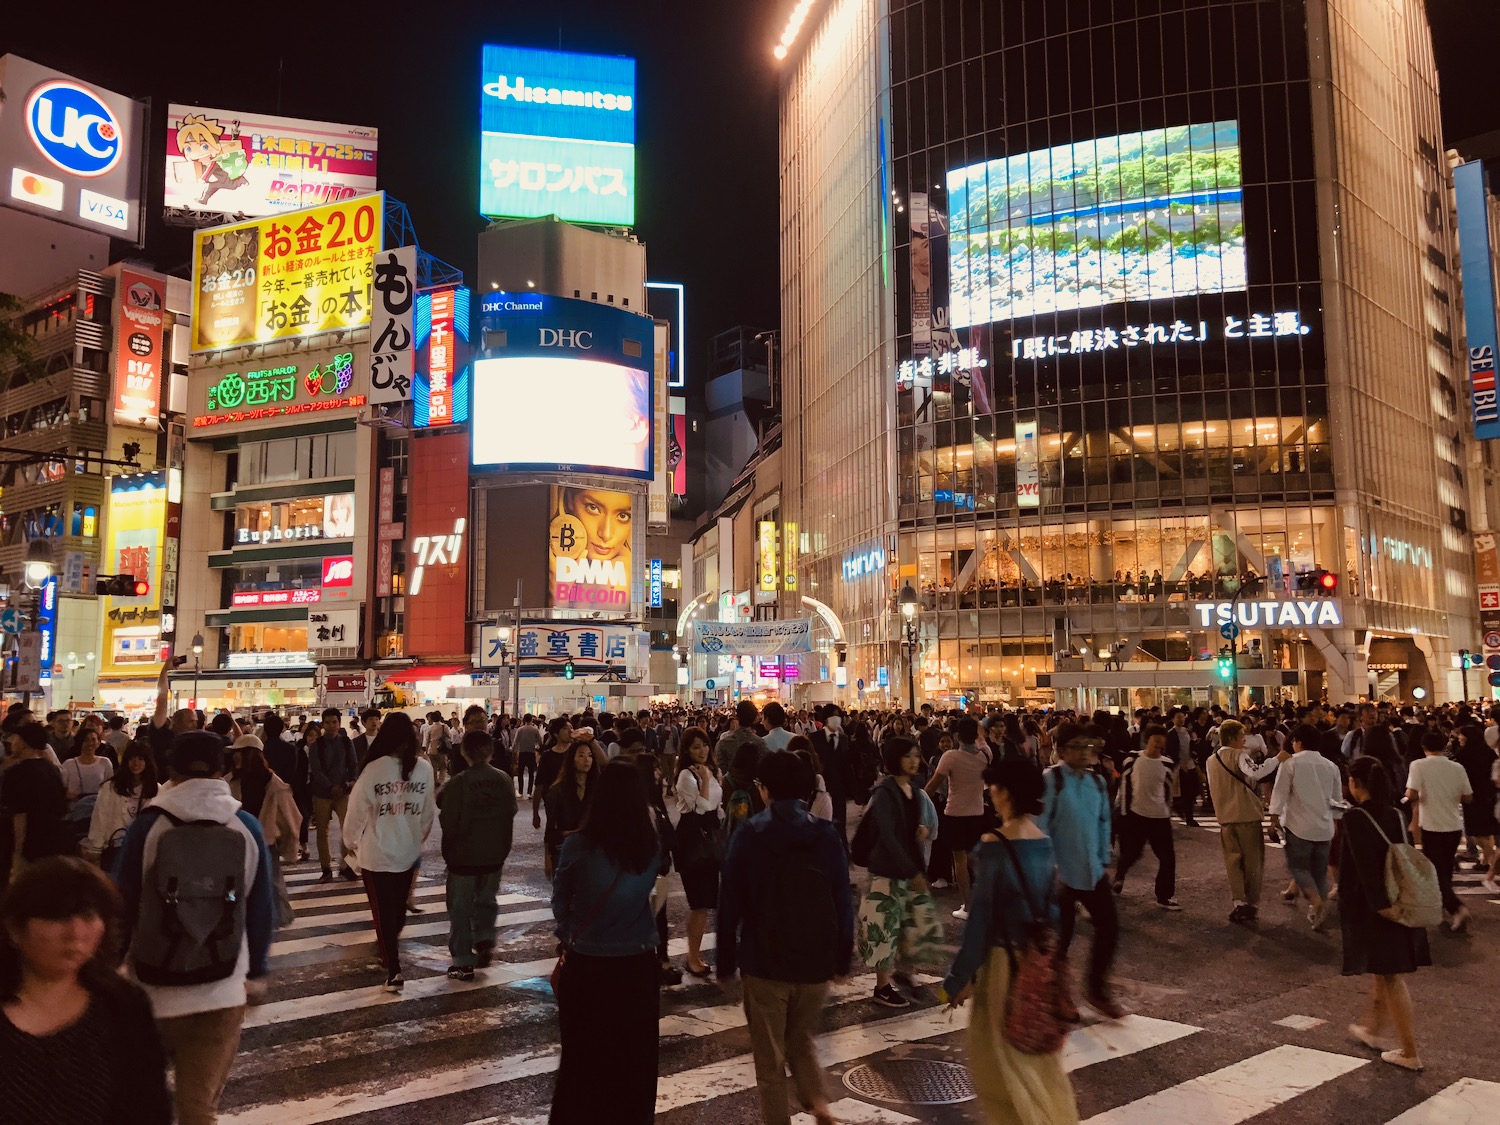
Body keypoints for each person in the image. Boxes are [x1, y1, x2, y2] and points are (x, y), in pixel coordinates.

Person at [115, 732, 275, 1125]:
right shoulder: (246, 826)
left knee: (140, 1102)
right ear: (224, 769)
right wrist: (255, 974)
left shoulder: (149, 825)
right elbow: (260, 907)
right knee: (198, 1108)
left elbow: (120, 899)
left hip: (151, 990)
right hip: (222, 990)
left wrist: (114, 966)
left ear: (170, 768)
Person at [943, 756, 1080, 1125]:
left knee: (998, 1066)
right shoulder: (1043, 842)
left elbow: (981, 921)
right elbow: (1055, 913)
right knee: (1036, 1063)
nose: (990, 794)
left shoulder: (995, 845)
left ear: (1004, 793)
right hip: (1036, 963)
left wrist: (955, 982)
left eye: (993, 788)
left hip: (1002, 969)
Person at [717, 750, 851, 1125]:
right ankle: (818, 1102)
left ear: (764, 789)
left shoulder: (750, 834)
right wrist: (842, 958)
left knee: (770, 1058)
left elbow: (730, 903)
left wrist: (725, 961)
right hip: (815, 961)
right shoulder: (824, 833)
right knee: (800, 1037)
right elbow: (842, 898)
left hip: (765, 960)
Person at [0, 857, 173, 1125]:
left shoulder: (122, 1006)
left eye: (88, 916)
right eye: (55, 916)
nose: (75, 932)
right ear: (14, 928)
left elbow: (150, 1111)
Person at [549, 759, 661, 1124]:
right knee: (635, 1056)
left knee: (582, 1057)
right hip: (638, 962)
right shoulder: (650, 846)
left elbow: (560, 900)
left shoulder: (579, 845)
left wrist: (570, 932)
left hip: (588, 962)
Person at [1341, 756, 1430, 1071]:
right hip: (1400, 897)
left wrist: (1381, 907)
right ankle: (1372, 1030)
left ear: (1356, 784)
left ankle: (1410, 1052)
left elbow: (1363, 865)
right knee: (1383, 970)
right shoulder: (1394, 812)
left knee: (1391, 976)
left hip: (1377, 904)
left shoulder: (1354, 818)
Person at [342, 712, 435, 992]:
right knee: (396, 911)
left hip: (377, 853)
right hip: (407, 851)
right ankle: (390, 956)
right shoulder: (424, 769)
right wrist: (415, 838)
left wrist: (350, 842)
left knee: (383, 913)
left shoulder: (374, 769)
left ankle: (393, 968)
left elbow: (355, 813)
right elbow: (428, 814)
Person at [1041, 722, 1124, 1019]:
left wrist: (1104, 858)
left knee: (1109, 928)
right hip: (1060, 873)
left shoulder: (1097, 783)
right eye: (1075, 747)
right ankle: (1056, 998)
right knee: (1060, 939)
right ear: (1061, 751)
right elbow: (1041, 827)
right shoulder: (1051, 781)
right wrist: (1048, 867)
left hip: (1092, 869)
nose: (1083, 753)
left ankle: (1096, 990)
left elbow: (1104, 822)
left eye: (1087, 746)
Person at [858, 736, 944, 1008]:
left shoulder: (912, 790)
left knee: (911, 925)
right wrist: (912, 871)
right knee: (883, 930)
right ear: (894, 759)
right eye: (908, 756)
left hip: (906, 868)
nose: (914, 761)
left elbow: (903, 831)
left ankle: (904, 972)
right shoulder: (884, 792)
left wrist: (920, 833)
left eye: (916, 755)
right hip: (887, 871)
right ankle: (882, 987)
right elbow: (887, 835)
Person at [438, 730, 516, 981]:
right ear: (490, 752)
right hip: (495, 853)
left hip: (464, 856)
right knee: (486, 899)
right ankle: (484, 937)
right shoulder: (503, 779)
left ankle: (462, 960)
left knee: (460, 909)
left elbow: (447, 816)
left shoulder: (458, 783)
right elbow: (511, 811)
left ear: (464, 752)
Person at [1207, 718, 1284, 923]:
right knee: (1253, 862)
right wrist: (1277, 759)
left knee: (1232, 861)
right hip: (1246, 814)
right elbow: (1255, 773)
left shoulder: (1211, 760)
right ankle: (1251, 903)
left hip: (1224, 817)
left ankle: (1238, 901)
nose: (1244, 740)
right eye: (1242, 736)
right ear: (1233, 738)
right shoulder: (1239, 755)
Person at [1270, 723, 1345, 930]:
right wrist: (1336, 820)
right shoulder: (1331, 766)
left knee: (1299, 867)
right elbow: (1337, 798)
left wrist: (1274, 817)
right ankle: (1317, 913)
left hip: (1298, 826)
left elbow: (1280, 792)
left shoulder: (1291, 764)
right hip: (1325, 827)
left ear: (1298, 742)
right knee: (1319, 872)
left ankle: (1317, 903)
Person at [228, 735, 302, 930]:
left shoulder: (274, 784)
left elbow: (290, 819)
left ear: (248, 754)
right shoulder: (231, 780)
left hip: (263, 842)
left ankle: (270, 921)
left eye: (238, 753)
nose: (234, 757)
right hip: (239, 841)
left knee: (269, 884)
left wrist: (289, 846)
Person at [1405, 730, 1473, 933]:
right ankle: (1448, 907)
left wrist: (1408, 797)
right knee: (1444, 870)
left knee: (1436, 873)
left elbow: (1412, 793)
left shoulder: (1418, 765)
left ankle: (1457, 908)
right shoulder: (1457, 767)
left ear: (1424, 747)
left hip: (1432, 826)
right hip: (1453, 826)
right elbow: (1467, 797)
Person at [924, 716, 991, 920]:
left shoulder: (950, 757)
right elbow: (982, 744)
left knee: (959, 861)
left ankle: (968, 906)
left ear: (957, 736)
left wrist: (919, 801)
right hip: (978, 813)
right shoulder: (984, 756)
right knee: (976, 859)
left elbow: (933, 785)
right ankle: (984, 901)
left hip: (955, 814)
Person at [672, 726, 722, 977]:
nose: (702, 751)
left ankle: (696, 953)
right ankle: (692, 957)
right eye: (695, 747)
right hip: (693, 839)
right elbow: (701, 808)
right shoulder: (686, 776)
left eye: (704, 745)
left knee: (705, 902)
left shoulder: (712, 770)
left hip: (709, 836)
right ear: (686, 750)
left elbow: (716, 806)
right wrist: (703, 780)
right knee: (698, 903)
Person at [1112, 725, 1179, 910]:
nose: (1157, 749)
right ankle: (1120, 874)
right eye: (1154, 744)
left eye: (1161, 746)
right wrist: (1124, 815)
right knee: (1132, 853)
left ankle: (1164, 896)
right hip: (1136, 815)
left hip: (1160, 817)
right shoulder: (1132, 759)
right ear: (1146, 740)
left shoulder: (1167, 763)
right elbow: (1124, 788)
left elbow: (1167, 789)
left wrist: (1168, 811)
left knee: (1167, 858)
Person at [4, 722, 72, 885]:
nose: (11, 742)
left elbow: (20, 814)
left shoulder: (16, 773)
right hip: (53, 841)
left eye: (15, 738)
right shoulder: (51, 769)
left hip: (30, 844)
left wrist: (18, 852)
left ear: (23, 742)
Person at [83, 745, 158, 872]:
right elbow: (100, 818)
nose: (135, 763)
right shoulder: (111, 787)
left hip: (142, 850)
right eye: (131, 758)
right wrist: (95, 848)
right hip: (115, 848)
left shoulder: (156, 789)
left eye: (140, 759)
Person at [306, 707, 359, 883]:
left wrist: (347, 783)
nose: (331, 726)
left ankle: (346, 866)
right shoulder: (316, 745)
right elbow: (316, 770)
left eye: (334, 722)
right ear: (323, 724)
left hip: (342, 792)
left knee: (347, 830)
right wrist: (331, 786)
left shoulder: (346, 742)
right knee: (322, 831)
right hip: (322, 793)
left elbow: (353, 764)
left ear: (339, 723)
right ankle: (326, 869)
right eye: (327, 722)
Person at [543, 737, 602, 879]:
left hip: (592, 851)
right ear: (572, 759)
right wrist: (547, 857)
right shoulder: (558, 790)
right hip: (564, 851)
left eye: (590, 755)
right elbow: (550, 828)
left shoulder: (598, 789)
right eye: (581, 755)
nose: (586, 760)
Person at [512, 715, 542, 797]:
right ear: (531, 720)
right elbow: (540, 741)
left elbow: (515, 742)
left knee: (520, 773)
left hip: (522, 753)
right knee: (531, 773)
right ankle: (529, 792)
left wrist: (514, 752)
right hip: (531, 753)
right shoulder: (535, 730)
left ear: (524, 720)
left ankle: (521, 791)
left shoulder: (520, 729)